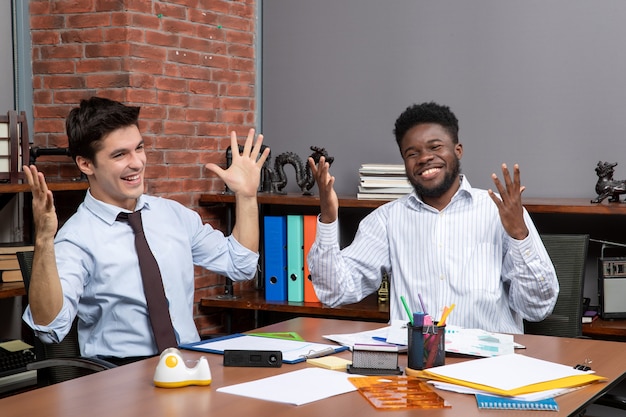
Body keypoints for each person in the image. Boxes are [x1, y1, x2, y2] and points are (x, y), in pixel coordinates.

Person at [22, 96, 269, 364]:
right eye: (120, 154)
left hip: (188, 362)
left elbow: (239, 265)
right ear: (86, 164)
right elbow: (48, 328)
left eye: (139, 148)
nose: (137, 163)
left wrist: (245, 196)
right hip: (120, 374)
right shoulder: (76, 238)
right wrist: (44, 240)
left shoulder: (173, 214)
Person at [307, 101, 558, 334]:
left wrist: (519, 236)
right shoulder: (387, 220)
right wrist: (328, 218)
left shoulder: (500, 212)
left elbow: (537, 309)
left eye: (435, 147)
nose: (424, 158)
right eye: (412, 153)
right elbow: (335, 292)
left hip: (489, 368)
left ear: (457, 150)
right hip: (417, 365)